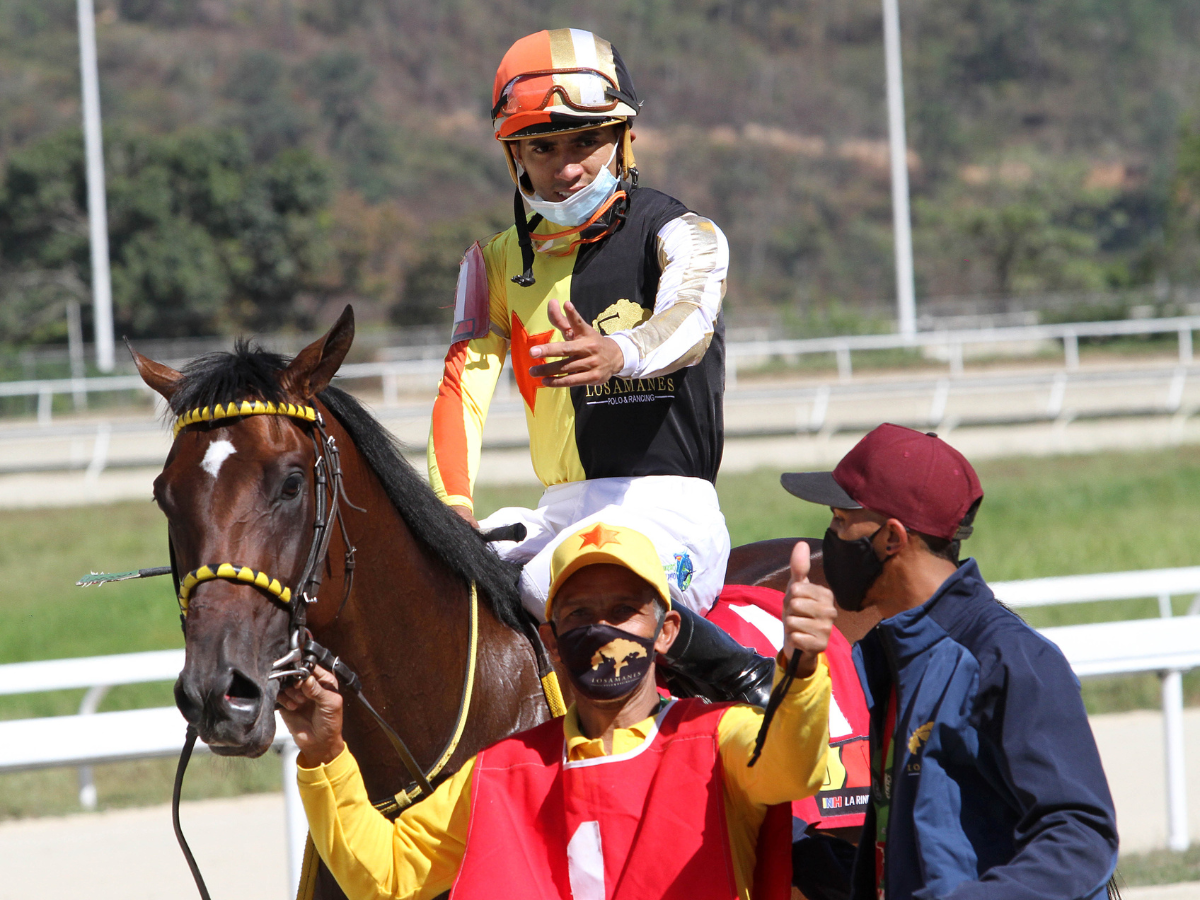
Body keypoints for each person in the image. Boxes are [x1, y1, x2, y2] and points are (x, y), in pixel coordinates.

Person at [278, 521, 837, 900]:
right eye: (579, 614)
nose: (602, 630)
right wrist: (325, 754)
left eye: (624, 610)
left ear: (666, 631)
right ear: (551, 638)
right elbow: (386, 876)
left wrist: (803, 672)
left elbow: (793, 766)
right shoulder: (499, 773)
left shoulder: (717, 740)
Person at [427, 29, 730, 627]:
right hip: (559, 514)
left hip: (668, 513)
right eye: (542, 148)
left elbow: (690, 321)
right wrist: (451, 507)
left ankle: (740, 676)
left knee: (554, 582)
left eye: (586, 141)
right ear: (514, 156)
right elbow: (464, 392)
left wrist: (622, 351)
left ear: (624, 140)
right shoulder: (492, 262)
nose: (565, 168)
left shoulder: (685, 234)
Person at [781, 423, 1119, 900]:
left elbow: (1081, 838)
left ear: (892, 539)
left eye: (840, 521)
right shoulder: (885, 655)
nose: (829, 540)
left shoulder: (1009, 658)